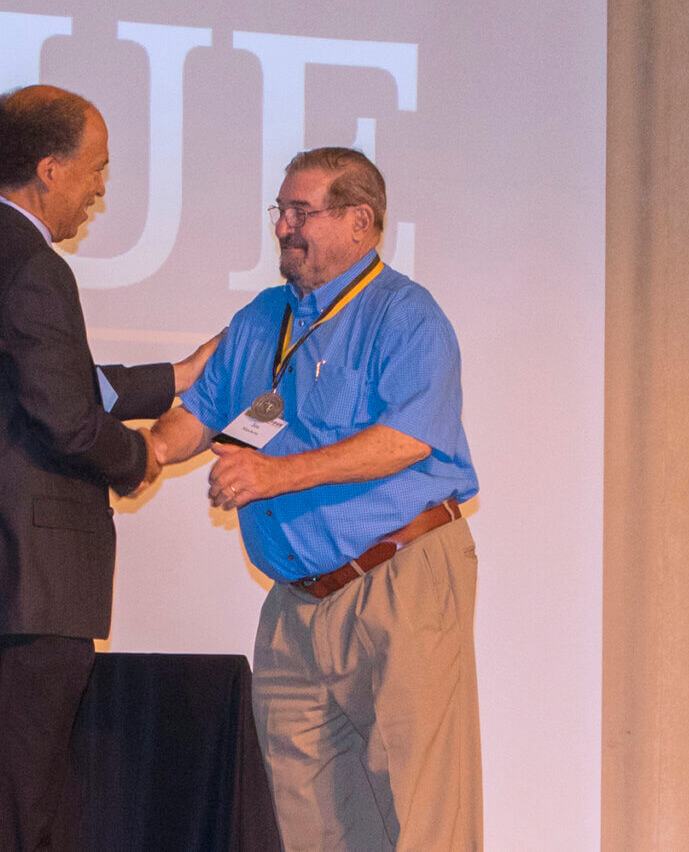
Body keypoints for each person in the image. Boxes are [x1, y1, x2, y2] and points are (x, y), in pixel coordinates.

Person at [0, 85, 219, 851]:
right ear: (50, 169)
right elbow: (67, 420)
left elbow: (50, 380)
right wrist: (145, 454)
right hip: (26, 579)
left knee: (12, 797)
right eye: (96, 169)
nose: (100, 189)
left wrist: (176, 377)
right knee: (13, 809)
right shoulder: (32, 265)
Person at [151, 147, 482, 851]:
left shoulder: (406, 315)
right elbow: (195, 415)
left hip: (398, 581)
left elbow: (406, 440)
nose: (283, 228)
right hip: (295, 608)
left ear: (361, 222)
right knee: (306, 824)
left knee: (422, 814)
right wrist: (133, 454)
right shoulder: (264, 319)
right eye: (281, 211)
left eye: (303, 212)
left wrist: (275, 474)